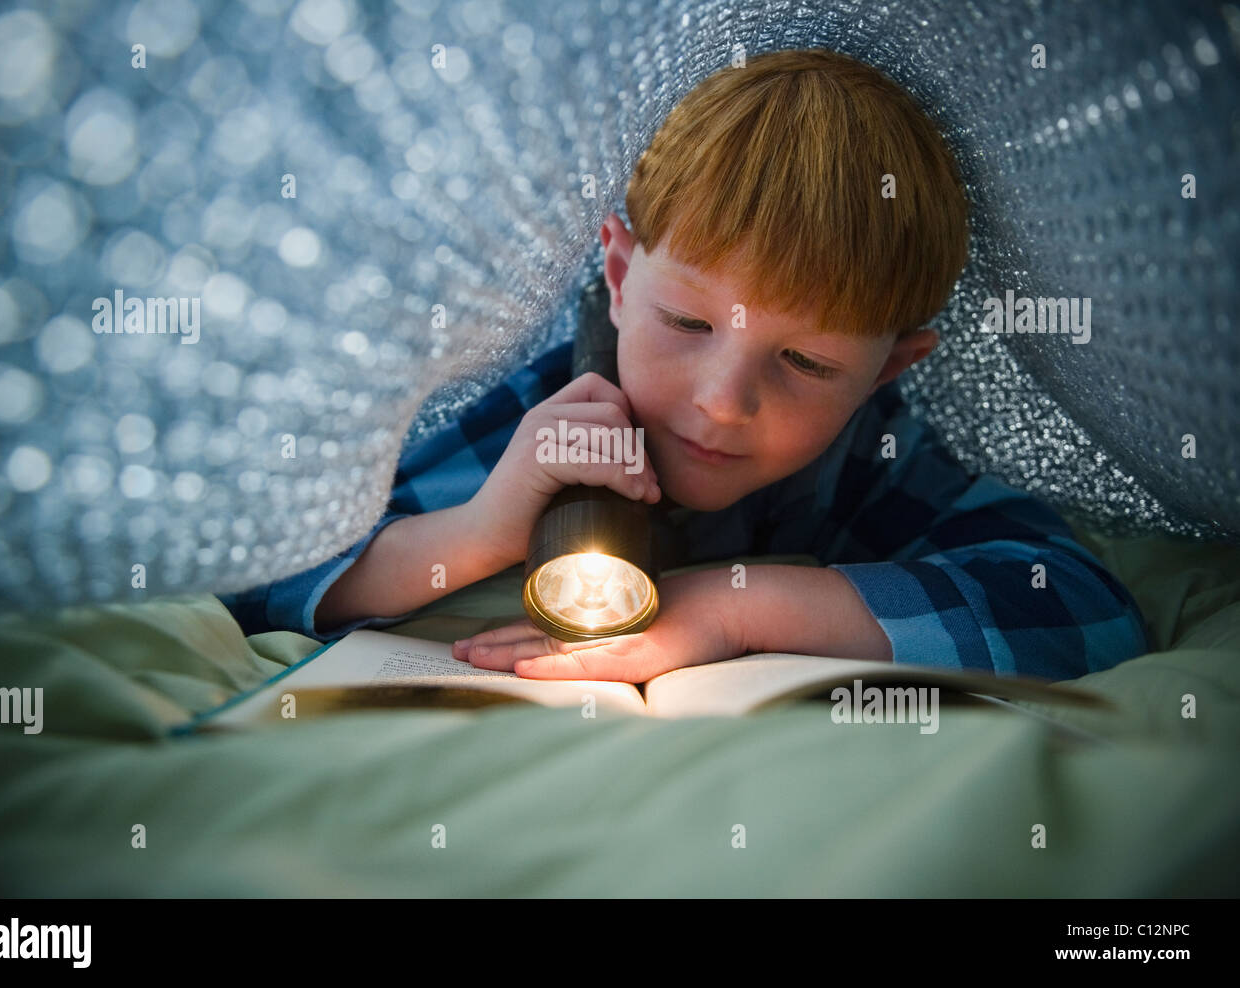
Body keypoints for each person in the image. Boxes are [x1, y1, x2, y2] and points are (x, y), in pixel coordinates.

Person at [218, 49, 1148, 683]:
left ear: (888, 371)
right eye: (688, 322)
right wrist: (484, 531)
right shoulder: (557, 418)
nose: (722, 402)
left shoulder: (875, 457)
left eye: (806, 362)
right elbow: (256, 572)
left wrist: (740, 609)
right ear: (620, 278)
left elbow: (1081, 606)